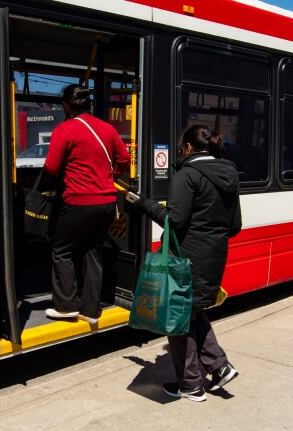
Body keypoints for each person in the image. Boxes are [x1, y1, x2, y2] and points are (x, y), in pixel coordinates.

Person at [126, 125, 242, 402]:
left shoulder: (186, 175)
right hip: (215, 257)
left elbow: (174, 221)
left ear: (188, 147)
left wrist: (144, 203)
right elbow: (235, 225)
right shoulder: (230, 173)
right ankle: (219, 366)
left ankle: (191, 385)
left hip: (186, 259)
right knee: (192, 312)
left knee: (176, 321)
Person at [43, 84, 130, 324]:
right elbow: (124, 159)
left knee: (62, 249)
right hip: (106, 203)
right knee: (93, 251)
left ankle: (66, 305)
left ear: (66, 105)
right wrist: (109, 173)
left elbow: (51, 167)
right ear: (89, 104)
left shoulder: (65, 129)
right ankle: (90, 310)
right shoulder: (108, 129)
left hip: (77, 201)